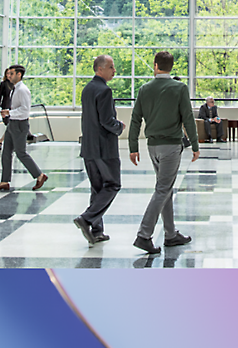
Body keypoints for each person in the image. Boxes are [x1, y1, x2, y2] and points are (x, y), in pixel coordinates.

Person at [127, 51, 200, 255]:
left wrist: (133, 147)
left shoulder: (144, 89)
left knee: (165, 187)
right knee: (163, 189)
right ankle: (144, 235)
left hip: (152, 147)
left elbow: (135, 119)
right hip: (171, 146)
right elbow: (188, 118)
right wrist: (194, 144)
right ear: (171, 66)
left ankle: (170, 234)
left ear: (155, 65)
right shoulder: (179, 88)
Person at [73, 55, 126, 246]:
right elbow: (106, 120)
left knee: (97, 188)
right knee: (112, 185)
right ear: (100, 69)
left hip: (88, 147)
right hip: (104, 148)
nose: (114, 71)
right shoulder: (104, 90)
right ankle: (86, 219)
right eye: (111, 67)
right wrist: (119, 126)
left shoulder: (87, 89)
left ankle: (96, 230)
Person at [0, 65, 48, 191]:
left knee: (21, 153)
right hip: (12, 123)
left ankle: (40, 175)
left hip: (20, 124)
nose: (9, 76)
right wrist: (9, 113)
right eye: (9, 73)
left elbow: (25, 110)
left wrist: (10, 113)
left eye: (12, 73)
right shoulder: (14, 89)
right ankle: (4, 181)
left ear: (19, 74)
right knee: (6, 152)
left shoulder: (22, 90)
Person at [0, 68, 11, 151]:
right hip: (5, 106)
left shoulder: (14, 84)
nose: (9, 75)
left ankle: (1, 140)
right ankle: (2, 140)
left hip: (12, 107)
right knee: (9, 125)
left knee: (11, 126)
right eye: (8, 73)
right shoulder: (3, 84)